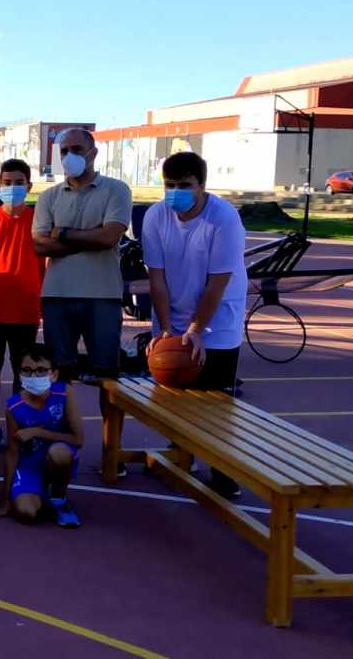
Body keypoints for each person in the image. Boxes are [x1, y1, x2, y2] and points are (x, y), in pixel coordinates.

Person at [143, 151, 248, 498]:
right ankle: (180, 452)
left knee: (216, 401)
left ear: (202, 185)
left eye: (184, 185)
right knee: (175, 391)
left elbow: (217, 283)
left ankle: (223, 468)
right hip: (172, 312)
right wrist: (165, 329)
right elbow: (156, 278)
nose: (176, 192)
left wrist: (196, 330)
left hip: (218, 318)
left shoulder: (224, 219)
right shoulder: (155, 216)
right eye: (169, 185)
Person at [33, 127, 132, 382]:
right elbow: (40, 246)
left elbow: (110, 237)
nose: (69, 156)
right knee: (57, 373)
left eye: (77, 149)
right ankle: (64, 411)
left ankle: (108, 413)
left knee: (106, 374)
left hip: (103, 295)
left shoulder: (117, 189)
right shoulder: (48, 196)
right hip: (57, 294)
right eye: (64, 151)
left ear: (93, 153)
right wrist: (92, 238)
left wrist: (63, 233)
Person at [0, 158, 44, 467]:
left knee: (23, 374)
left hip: (26, 310)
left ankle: (20, 430)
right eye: (7, 183)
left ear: (29, 186)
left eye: (18, 183)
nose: (12, 188)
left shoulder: (39, 220)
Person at [0, 344, 85, 528]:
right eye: (27, 370)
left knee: (59, 453)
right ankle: (39, 495)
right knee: (26, 513)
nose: (33, 376)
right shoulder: (13, 407)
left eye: (41, 370)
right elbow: (12, 453)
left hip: (57, 458)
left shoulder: (64, 393)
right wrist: (5, 500)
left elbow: (78, 440)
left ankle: (59, 500)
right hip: (30, 467)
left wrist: (37, 432)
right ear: (19, 374)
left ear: (53, 374)